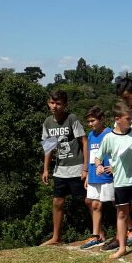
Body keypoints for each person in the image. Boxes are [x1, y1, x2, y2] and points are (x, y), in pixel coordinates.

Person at [98, 101, 132, 259]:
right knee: (122, 214)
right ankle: (122, 247)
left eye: (131, 118)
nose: (130, 121)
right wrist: (99, 166)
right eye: (127, 118)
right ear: (117, 119)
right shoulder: (109, 137)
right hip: (120, 182)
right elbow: (98, 157)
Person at [40, 90, 87, 246]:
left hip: (76, 167)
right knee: (57, 202)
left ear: (65, 105)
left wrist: (86, 167)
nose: (55, 106)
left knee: (86, 201)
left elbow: (84, 141)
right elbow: (48, 147)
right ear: (48, 103)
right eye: (52, 103)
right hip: (60, 169)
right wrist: (46, 169)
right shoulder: (47, 122)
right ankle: (56, 237)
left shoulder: (71, 118)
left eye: (58, 103)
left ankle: (98, 233)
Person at [79, 106, 116, 250]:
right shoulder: (90, 135)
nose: (90, 124)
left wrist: (114, 167)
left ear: (101, 119)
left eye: (93, 121)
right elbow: (90, 156)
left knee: (116, 203)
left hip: (107, 176)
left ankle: (130, 230)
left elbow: (115, 152)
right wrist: (88, 174)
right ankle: (96, 236)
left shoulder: (109, 133)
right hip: (94, 175)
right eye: (88, 121)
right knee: (94, 204)